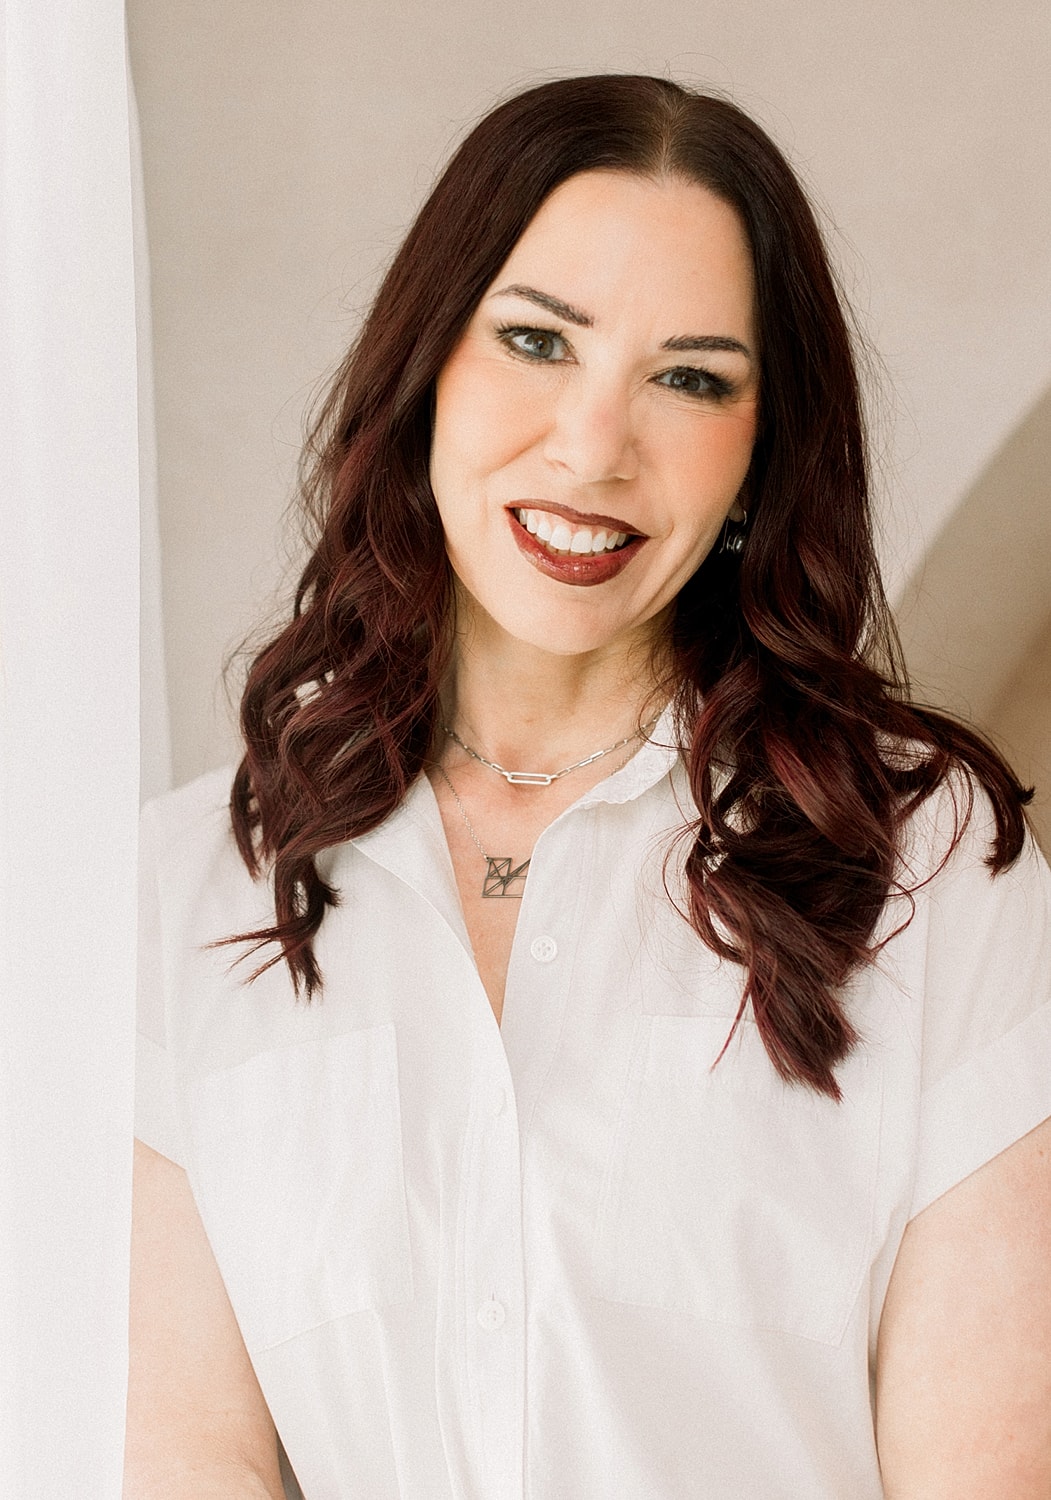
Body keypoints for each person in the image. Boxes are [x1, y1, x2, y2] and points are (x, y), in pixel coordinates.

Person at [124, 74, 1051, 1500]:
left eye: (690, 376)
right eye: (537, 342)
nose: (593, 444)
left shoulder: (930, 869)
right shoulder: (182, 892)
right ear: (428, 365)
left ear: (759, 451)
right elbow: (187, 1463)